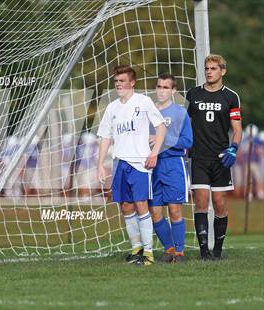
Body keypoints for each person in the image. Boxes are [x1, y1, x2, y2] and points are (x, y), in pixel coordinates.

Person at [97, 65, 166, 266]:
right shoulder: (112, 107)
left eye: (122, 81)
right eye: (116, 81)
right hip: (120, 162)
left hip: (140, 163)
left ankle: (149, 253)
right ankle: (136, 249)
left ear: (132, 82)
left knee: (141, 204)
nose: (118, 84)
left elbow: (161, 127)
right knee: (125, 206)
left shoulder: (143, 102)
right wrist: (100, 164)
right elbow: (105, 136)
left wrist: (154, 153)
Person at [187, 54, 242, 260]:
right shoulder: (193, 94)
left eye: (213, 68)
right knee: (200, 201)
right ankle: (204, 252)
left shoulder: (231, 97)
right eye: (207, 68)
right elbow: (183, 123)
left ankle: (217, 250)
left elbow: (237, 129)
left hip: (221, 158)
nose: (209, 71)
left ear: (222, 71)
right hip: (199, 157)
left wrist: (233, 148)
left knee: (219, 203)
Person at [148, 73, 193, 263]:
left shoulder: (180, 112)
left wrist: (161, 139)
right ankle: (169, 249)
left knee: (174, 210)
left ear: (173, 91)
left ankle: (180, 252)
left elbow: (188, 141)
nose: (161, 90)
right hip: (151, 166)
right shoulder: (148, 112)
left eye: (166, 87)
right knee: (155, 212)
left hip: (173, 165)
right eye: (159, 86)